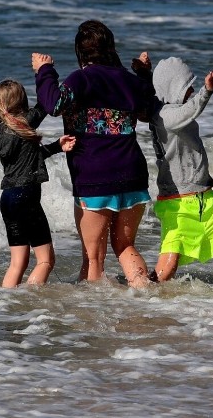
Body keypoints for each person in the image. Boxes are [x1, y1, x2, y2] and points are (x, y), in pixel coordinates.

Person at [32, 19, 155, 288]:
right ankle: (147, 302)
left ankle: (92, 320)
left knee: (93, 258)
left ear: (81, 52)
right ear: (111, 48)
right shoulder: (129, 80)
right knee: (125, 246)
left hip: (95, 177)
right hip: (133, 174)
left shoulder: (82, 78)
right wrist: (144, 75)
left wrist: (45, 71)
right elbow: (149, 109)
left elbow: (53, 103)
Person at [132, 53, 213, 286]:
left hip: (206, 199)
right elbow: (189, 110)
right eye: (187, 87)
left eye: (192, 87)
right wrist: (206, 91)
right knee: (168, 265)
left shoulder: (165, 111)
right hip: (178, 202)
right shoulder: (167, 116)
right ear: (173, 89)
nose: (191, 92)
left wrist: (144, 74)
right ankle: (144, 302)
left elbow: (166, 97)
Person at [0, 78, 76, 288]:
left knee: (18, 263)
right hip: (26, 197)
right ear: (22, 102)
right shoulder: (26, 121)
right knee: (46, 261)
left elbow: (28, 157)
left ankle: (6, 304)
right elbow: (47, 102)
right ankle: (28, 304)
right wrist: (45, 74)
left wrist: (56, 146)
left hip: (8, 198)